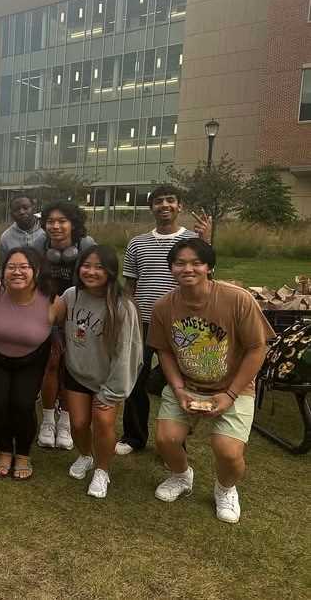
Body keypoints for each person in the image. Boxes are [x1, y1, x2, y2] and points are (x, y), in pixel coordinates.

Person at [149, 239, 273, 524]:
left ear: (209, 267)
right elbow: (164, 350)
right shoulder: (164, 306)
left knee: (227, 452)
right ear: (171, 268)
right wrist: (178, 389)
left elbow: (257, 348)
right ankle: (181, 476)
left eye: (196, 262)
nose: (187, 269)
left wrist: (230, 394)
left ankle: (225, 489)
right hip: (187, 384)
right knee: (166, 440)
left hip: (234, 387)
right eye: (180, 263)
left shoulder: (237, 299)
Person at [116, 185, 211, 455]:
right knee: (135, 379)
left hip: (182, 324)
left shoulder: (194, 240)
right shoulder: (137, 242)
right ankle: (133, 437)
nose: (165, 205)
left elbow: (207, 280)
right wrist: (129, 316)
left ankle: (176, 441)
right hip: (144, 321)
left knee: (179, 382)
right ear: (152, 207)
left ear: (179, 206)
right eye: (159, 201)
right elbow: (129, 285)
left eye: (171, 200)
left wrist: (207, 243)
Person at [56, 246, 143, 498]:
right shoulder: (71, 295)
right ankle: (85, 455)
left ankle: (102, 470)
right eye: (86, 265)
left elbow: (128, 352)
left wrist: (114, 390)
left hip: (108, 378)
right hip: (77, 372)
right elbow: (50, 315)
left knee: (104, 423)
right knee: (79, 423)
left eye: (98, 267)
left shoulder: (122, 306)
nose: (91, 272)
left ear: (110, 271)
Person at [0, 248, 56, 480]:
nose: (17, 272)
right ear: (3, 270)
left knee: (23, 404)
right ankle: (4, 449)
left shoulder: (52, 299)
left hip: (32, 359)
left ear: (36, 271)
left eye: (24, 267)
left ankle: (24, 453)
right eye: (11, 267)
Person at [34, 201, 96, 451]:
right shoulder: (39, 246)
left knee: (72, 367)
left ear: (73, 223)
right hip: (47, 312)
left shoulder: (86, 245)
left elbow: (95, 278)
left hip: (78, 313)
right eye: (51, 221)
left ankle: (66, 421)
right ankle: (48, 419)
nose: (56, 226)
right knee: (50, 363)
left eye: (62, 221)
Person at [0, 193, 44, 263]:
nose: (21, 212)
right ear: (11, 214)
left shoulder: (46, 231)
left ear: (34, 209)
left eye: (25, 208)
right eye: (16, 209)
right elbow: (4, 268)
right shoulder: (6, 238)